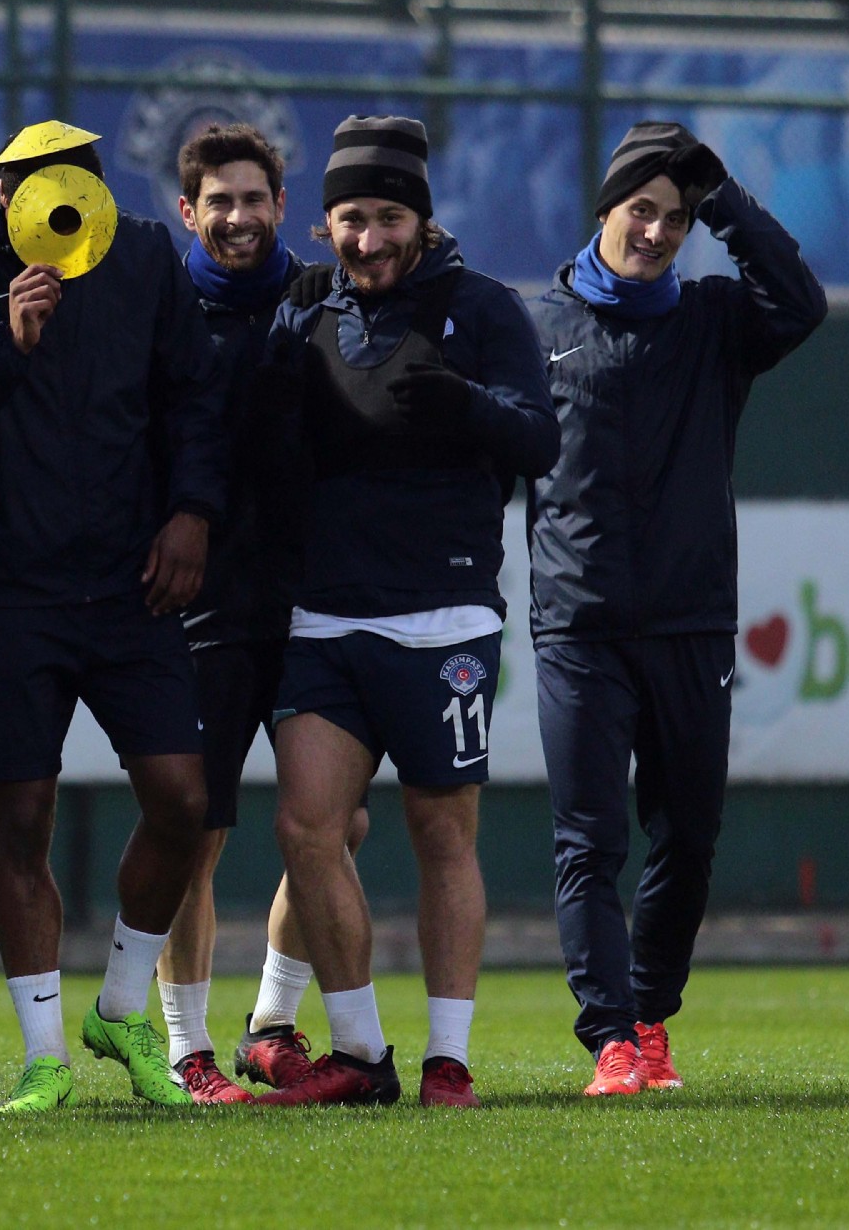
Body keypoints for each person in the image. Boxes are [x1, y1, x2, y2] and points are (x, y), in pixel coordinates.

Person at [0, 120, 228, 1113]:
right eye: (39, 185)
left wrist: (192, 514)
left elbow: (197, 400)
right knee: (22, 821)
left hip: (132, 584)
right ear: (2, 192)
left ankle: (121, 1007)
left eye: (83, 180)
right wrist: (8, 341)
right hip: (7, 590)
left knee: (183, 800)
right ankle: (44, 1056)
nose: (65, 200)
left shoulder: (144, 255)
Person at [251, 116, 558, 1109]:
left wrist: (468, 405)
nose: (369, 238)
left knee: (440, 834)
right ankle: (358, 1053)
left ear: (421, 222)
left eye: (388, 218)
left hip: (443, 619)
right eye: (351, 219)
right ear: (326, 224)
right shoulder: (307, 312)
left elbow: (541, 442)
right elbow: (261, 443)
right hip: (325, 617)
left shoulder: (482, 308)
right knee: (308, 828)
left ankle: (448, 1061)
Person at [527, 122, 826, 1096]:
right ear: (604, 211)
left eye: (675, 218)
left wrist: (724, 199)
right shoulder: (538, 329)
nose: (657, 232)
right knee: (589, 842)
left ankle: (650, 1015)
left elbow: (801, 302)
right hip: (578, 628)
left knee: (688, 838)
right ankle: (611, 1037)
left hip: (692, 624)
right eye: (641, 210)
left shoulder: (713, 321)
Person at [154, 122, 372, 1104]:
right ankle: (184, 1049)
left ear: (283, 207)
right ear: (187, 211)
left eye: (254, 199)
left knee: (336, 825)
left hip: (315, 602)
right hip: (200, 608)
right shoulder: (163, 313)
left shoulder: (327, 299)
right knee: (192, 831)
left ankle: (270, 1025)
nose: (238, 217)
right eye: (220, 202)